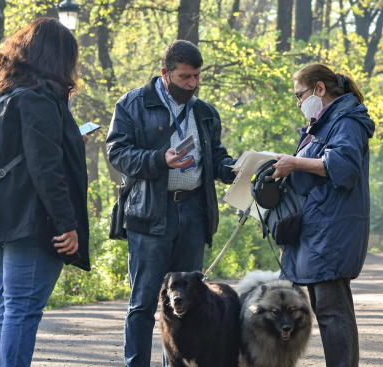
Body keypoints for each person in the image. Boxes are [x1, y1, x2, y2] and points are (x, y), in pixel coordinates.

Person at [106, 40, 237, 367]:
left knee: (189, 301)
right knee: (143, 303)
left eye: (197, 76)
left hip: (194, 214)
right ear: (165, 73)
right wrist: (158, 159)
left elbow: (215, 156)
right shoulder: (132, 105)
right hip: (150, 215)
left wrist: (232, 169)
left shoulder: (204, 112)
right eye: (185, 77)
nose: (192, 84)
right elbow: (117, 154)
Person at [0, 18, 90, 367]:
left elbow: (9, 151)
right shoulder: (39, 97)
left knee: (8, 309)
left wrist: (69, 140)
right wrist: (67, 223)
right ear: (57, 57)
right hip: (32, 221)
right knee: (21, 313)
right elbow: (44, 168)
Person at [272, 63, 374, 367]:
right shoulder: (325, 123)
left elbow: (342, 167)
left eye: (300, 95)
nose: (298, 103)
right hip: (317, 227)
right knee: (322, 308)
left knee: (332, 312)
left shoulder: (347, 120)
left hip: (333, 229)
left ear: (320, 89)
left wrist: (295, 163)